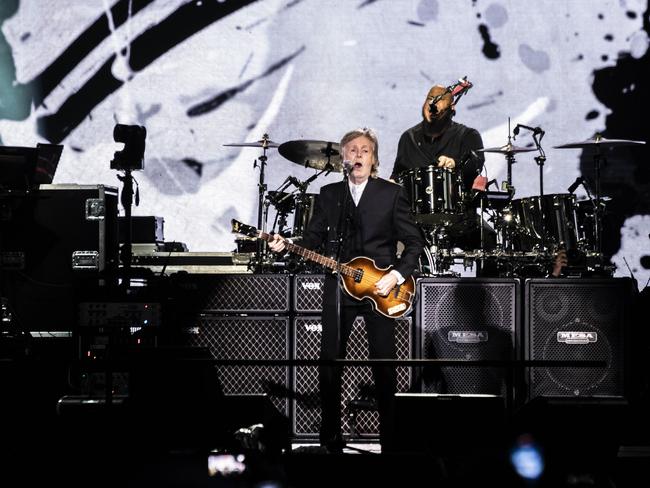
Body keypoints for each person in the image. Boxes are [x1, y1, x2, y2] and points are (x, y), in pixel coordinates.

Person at [268, 128, 425, 453]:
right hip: (338, 286)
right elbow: (312, 240)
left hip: (380, 289)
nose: (358, 155)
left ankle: (390, 444)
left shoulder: (390, 194)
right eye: (352, 150)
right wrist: (287, 246)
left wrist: (395, 275)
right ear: (343, 158)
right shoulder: (329, 194)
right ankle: (330, 441)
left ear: (375, 158)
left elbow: (414, 243)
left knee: (384, 365)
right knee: (329, 364)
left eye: (365, 150)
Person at [391, 84, 492, 251]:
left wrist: (456, 163)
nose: (433, 104)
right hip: (415, 219)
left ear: (452, 106)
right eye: (430, 99)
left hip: (460, 218)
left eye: (440, 99)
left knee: (489, 240)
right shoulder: (408, 138)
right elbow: (397, 174)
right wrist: (388, 184)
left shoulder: (468, 135)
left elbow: (476, 165)